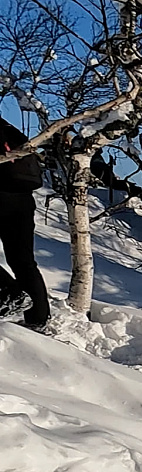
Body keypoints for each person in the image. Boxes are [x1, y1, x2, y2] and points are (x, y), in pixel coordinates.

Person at [0, 117, 50, 330]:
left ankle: (12, 294)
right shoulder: (7, 127)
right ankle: (38, 319)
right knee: (23, 261)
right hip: (22, 199)